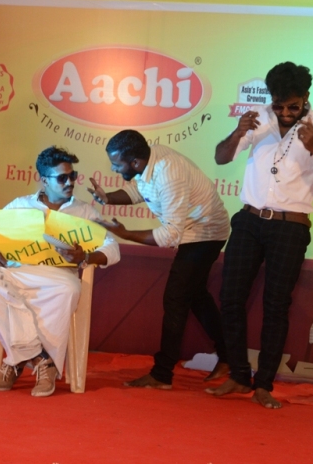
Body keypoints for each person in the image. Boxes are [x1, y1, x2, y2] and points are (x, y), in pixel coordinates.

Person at [209, 62, 313, 409]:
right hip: (249, 220)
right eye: (279, 105)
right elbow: (221, 157)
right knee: (230, 297)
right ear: (271, 99)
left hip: (291, 226)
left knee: (276, 306)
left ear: (306, 97)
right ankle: (239, 375)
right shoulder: (258, 118)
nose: (286, 113)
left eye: (293, 106)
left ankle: (264, 384)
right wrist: (237, 133)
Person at [0, 146, 120, 397]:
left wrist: (85, 257)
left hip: (58, 277)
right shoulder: (20, 205)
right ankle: (41, 360)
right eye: (62, 178)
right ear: (44, 180)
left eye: (72, 176)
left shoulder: (84, 211)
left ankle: (16, 362)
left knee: (69, 289)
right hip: (18, 272)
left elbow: (112, 247)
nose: (69, 182)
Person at [88, 130, 231, 389]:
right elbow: (136, 190)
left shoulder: (169, 174)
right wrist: (108, 198)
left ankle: (162, 374)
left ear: (135, 162)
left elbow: (170, 234)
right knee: (195, 295)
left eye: (116, 164)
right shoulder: (147, 161)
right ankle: (229, 355)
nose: (113, 168)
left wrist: (126, 234)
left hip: (205, 233)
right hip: (191, 231)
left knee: (175, 298)